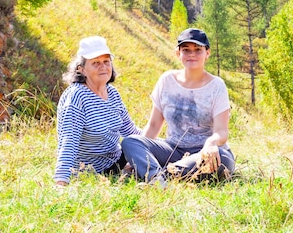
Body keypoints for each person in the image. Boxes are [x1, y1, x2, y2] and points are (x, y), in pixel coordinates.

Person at [121, 28, 235, 186]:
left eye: (198, 50)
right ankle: (159, 177)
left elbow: (221, 131)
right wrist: (139, 155)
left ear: (207, 53)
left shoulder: (216, 86)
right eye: (186, 50)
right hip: (172, 150)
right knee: (131, 142)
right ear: (178, 53)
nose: (192, 54)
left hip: (205, 152)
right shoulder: (166, 80)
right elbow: (154, 125)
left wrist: (211, 143)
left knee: (223, 160)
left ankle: (156, 176)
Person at [53, 36, 140, 186]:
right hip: (89, 171)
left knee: (143, 148)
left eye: (106, 61)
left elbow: (130, 131)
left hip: (116, 161)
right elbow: (69, 142)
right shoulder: (76, 97)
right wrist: (61, 182)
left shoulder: (112, 93)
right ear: (81, 69)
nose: (103, 67)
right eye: (95, 63)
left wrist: (161, 145)